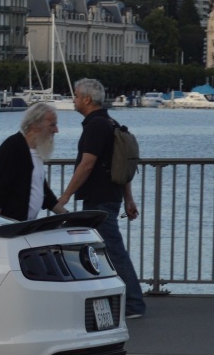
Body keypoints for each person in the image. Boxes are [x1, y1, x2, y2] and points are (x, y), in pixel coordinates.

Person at [53, 78, 146, 318]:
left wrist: (63, 198)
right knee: (102, 250)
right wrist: (128, 199)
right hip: (111, 196)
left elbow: (87, 164)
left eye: (75, 96)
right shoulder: (110, 122)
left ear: (86, 99)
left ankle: (134, 304)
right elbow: (119, 164)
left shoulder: (96, 126)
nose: (73, 100)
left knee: (112, 250)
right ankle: (112, 300)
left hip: (100, 198)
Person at [0, 101, 64, 221]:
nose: (56, 130)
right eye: (52, 125)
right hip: (10, 226)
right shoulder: (14, 146)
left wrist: (67, 215)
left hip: (24, 225)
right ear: (35, 125)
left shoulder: (35, 151)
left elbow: (44, 193)